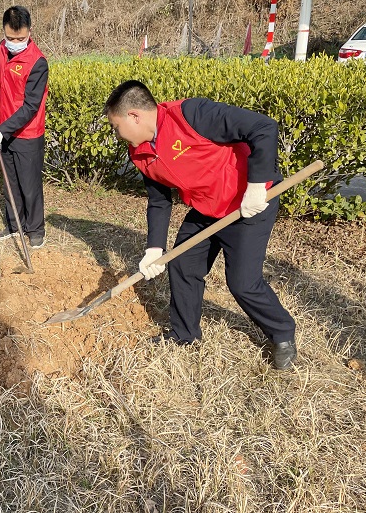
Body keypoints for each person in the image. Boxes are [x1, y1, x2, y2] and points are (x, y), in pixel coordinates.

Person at [104, 80, 297, 370]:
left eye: (116, 126)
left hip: (248, 202)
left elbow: (263, 127)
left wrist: (256, 185)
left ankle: (282, 333)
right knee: (182, 264)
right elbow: (159, 201)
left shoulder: (190, 115)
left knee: (243, 283)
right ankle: (184, 334)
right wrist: (154, 247)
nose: (116, 134)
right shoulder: (140, 152)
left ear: (134, 116)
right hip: (207, 207)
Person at [0, 5, 49, 249]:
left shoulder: (37, 62)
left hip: (27, 133)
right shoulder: (4, 49)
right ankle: (15, 225)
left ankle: (36, 229)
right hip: (3, 131)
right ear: (4, 32)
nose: (15, 42)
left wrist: (3, 129)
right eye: (10, 38)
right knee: (11, 183)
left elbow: (31, 106)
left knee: (29, 186)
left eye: (20, 38)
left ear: (29, 32)